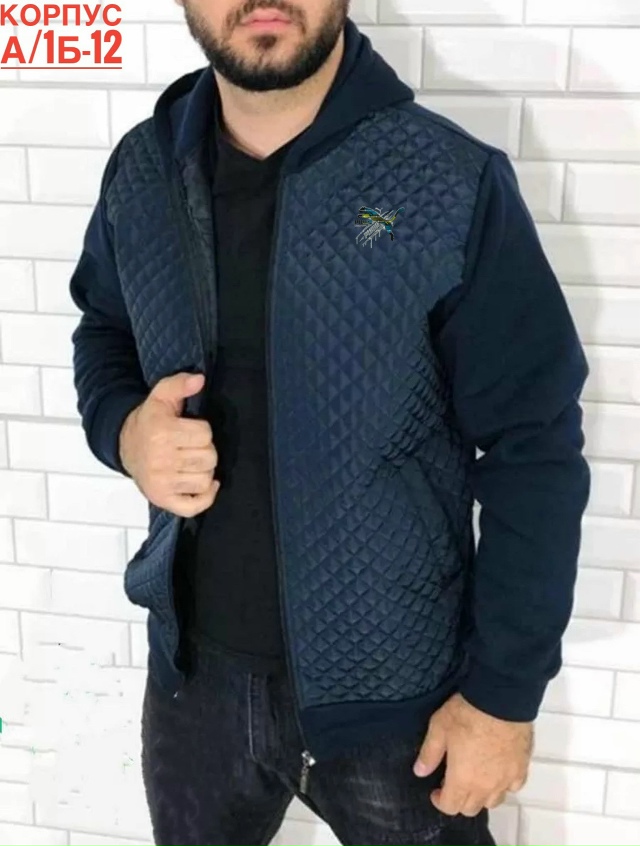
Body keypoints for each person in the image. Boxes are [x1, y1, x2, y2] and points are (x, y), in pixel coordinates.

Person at [69, 1, 591, 844]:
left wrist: (502, 697)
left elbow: (533, 446)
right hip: (193, 690)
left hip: (401, 708)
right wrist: (126, 431)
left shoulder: (446, 181)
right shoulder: (142, 169)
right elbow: (103, 330)